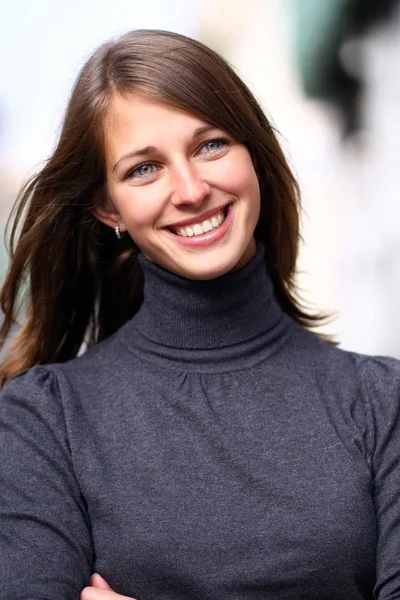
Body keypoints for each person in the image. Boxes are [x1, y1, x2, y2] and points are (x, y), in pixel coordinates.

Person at [0, 29, 399, 600]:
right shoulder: (45, 420)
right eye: (144, 169)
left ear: (253, 152)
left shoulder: (383, 402)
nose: (190, 190)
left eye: (210, 145)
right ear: (107, 206)